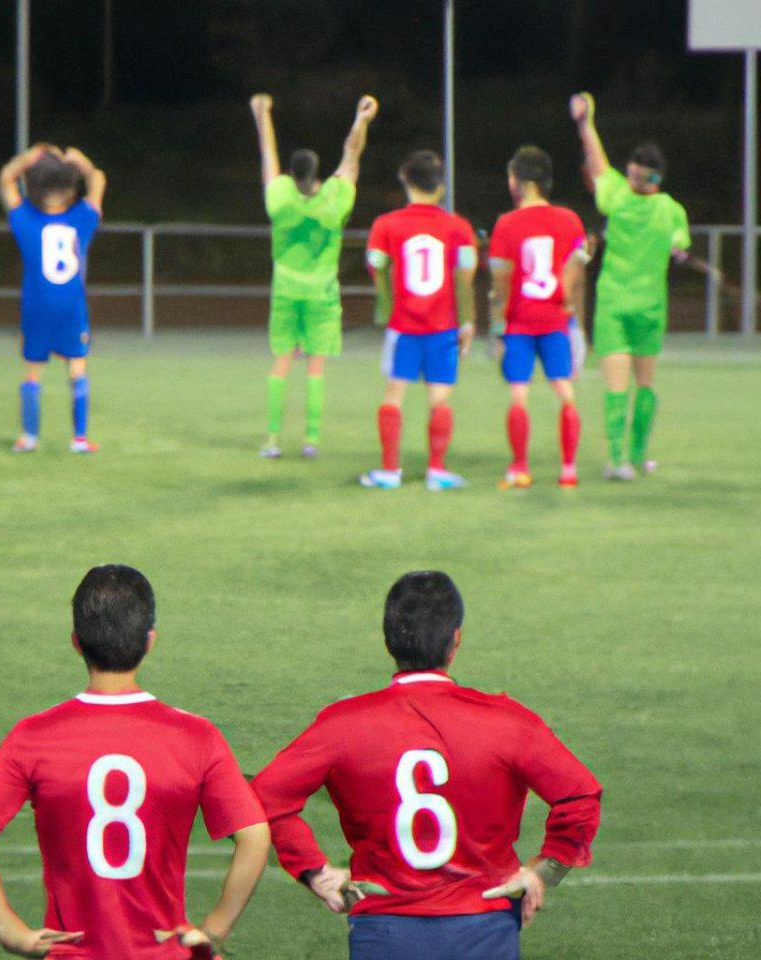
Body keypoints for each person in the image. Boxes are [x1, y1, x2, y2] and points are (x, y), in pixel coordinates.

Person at [252, 570, 602, 960]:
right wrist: (545, 869)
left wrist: (314, 872)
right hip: (485, 928)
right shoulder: (507, 721)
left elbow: (260, 801)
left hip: (383, 932)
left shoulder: (343, 724)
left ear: (388, 641)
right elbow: (581, 795)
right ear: (456, 641)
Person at [0, 564, 270, 960]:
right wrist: (214, 928)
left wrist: (9, 929)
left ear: (76, 642)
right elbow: (255, 835)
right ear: (149, 641)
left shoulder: (34, 736)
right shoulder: (196, 736)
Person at [249, 93, 378, 459]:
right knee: (316, 367)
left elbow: (267, 159)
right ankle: (311, 440)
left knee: (281, 364)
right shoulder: (333, 199)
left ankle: (272, 439)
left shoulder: (281, 199)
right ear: (317, 172)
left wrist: (262, 116)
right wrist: (361, 120)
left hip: (287, 293)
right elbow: (352, 156)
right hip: (322, 294)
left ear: (293, 175)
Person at [570, 92, 691, 480]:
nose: (636, 179)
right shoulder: (668, 208)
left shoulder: (621, 195)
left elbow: (597, 159)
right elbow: (680, 243)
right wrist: (679, 248)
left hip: (627, 307)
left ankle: (625, 457)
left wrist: (586, 123)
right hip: (638, 308)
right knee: (637, 384)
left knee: (628, 386)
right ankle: (628, 457)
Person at [359, 151, 478, 490]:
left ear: (405, 180)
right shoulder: (459, 227)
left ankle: (389, 471)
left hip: (404, 327)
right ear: (440, 186)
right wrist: (466, 322)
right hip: (443, 328)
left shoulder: (387, 224)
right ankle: (437, 471)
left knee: (394, 394)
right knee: (440, 398)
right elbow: (465, 273)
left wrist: (387, 304)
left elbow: (375, 263)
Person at [488, 146, 589, 489]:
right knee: (565, 391)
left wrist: (499, 327)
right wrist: (574, 318)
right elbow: (575, 271)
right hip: (555, 321)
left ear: (522, 181)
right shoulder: (570, 220)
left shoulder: (506, 223)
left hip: (519, 322)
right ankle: (568, 470)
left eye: (511, 176)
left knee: (519, 394)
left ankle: (519, 467)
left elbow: (501, 281)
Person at [0, 144, 107, 454]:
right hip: (72, 307)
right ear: (71, 186)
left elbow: (5, 179)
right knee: (77, 368)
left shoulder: (25, 220)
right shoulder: (82, 218)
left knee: (32, 371)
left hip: (36, 307)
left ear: (32, 186)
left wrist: (24, 160)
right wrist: (82, 164)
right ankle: (80, 439)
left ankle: (30, 437)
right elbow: (98, 179)